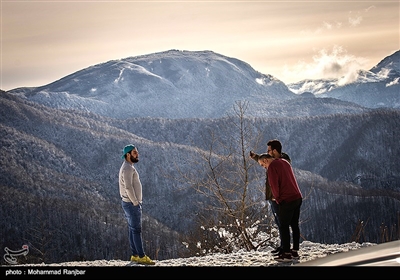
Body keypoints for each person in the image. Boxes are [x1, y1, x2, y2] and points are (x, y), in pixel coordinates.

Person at [258, 153, 303, 262]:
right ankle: (295, 251)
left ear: (265, 160)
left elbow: (274, 185)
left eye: (262, 165)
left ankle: (286, 254)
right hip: (297, 197)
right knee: (294, 224)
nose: (263, 167)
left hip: (286, 199)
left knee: (283, 226)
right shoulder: (284, 162)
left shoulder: (272, 167)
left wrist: (277, 199)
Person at [249, 139, 291, 256]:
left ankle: (285, 248)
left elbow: (269, 161)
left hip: (279, 197)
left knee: (283, 223)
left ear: (275, 151)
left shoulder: (283, 160)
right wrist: (255, 157)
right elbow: (264, 159)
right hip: (272, 196)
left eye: (269, 150)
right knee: (279, 222)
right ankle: (283, 246)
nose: (267, 152)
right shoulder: (270, 160)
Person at [119, 144, 155, 265]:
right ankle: (141, 256)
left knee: (132, 229)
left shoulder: (127, 166)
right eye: (134, 153)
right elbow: (128, 187)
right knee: (136, 230)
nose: (137, 154)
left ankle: (135, 255)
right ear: (128, 155)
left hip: (128, 203)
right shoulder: (128, 168)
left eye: (137, 152)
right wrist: (135, 202)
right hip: (131, 204)